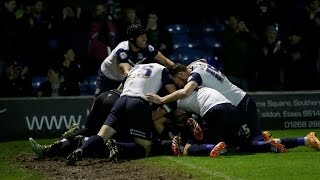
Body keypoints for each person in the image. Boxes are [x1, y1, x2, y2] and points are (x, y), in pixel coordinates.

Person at [66, 63, 176, 165]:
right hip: (138, 102)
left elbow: (120, 88)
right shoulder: (162, 69)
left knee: (101, 135)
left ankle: (81, 149)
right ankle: (117, 146)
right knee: (146, 147)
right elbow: (173, 93)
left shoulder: (135, 68)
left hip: (120, 100)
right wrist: (162, 101)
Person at [146, 60, 262, 142]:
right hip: (236, 103)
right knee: (240, 141)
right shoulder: (197, 64)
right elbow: (203, 60)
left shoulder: (195, 76)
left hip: (240, 103)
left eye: (178, 82)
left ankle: (277, 143)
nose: (180, 85)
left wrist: (161, 99)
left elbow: (185, 92)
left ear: (181, 74)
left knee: (252, 141)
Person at [94, 23, 174, 98]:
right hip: (107, 76)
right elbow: (125, 70)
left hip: (123, 79)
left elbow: (166, 61)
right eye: (141, 37)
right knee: (97, 103)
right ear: (132, 38)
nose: (145, 39)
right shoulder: (122, 49)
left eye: (145, 36)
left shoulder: (147, 48)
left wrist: (178, 69)